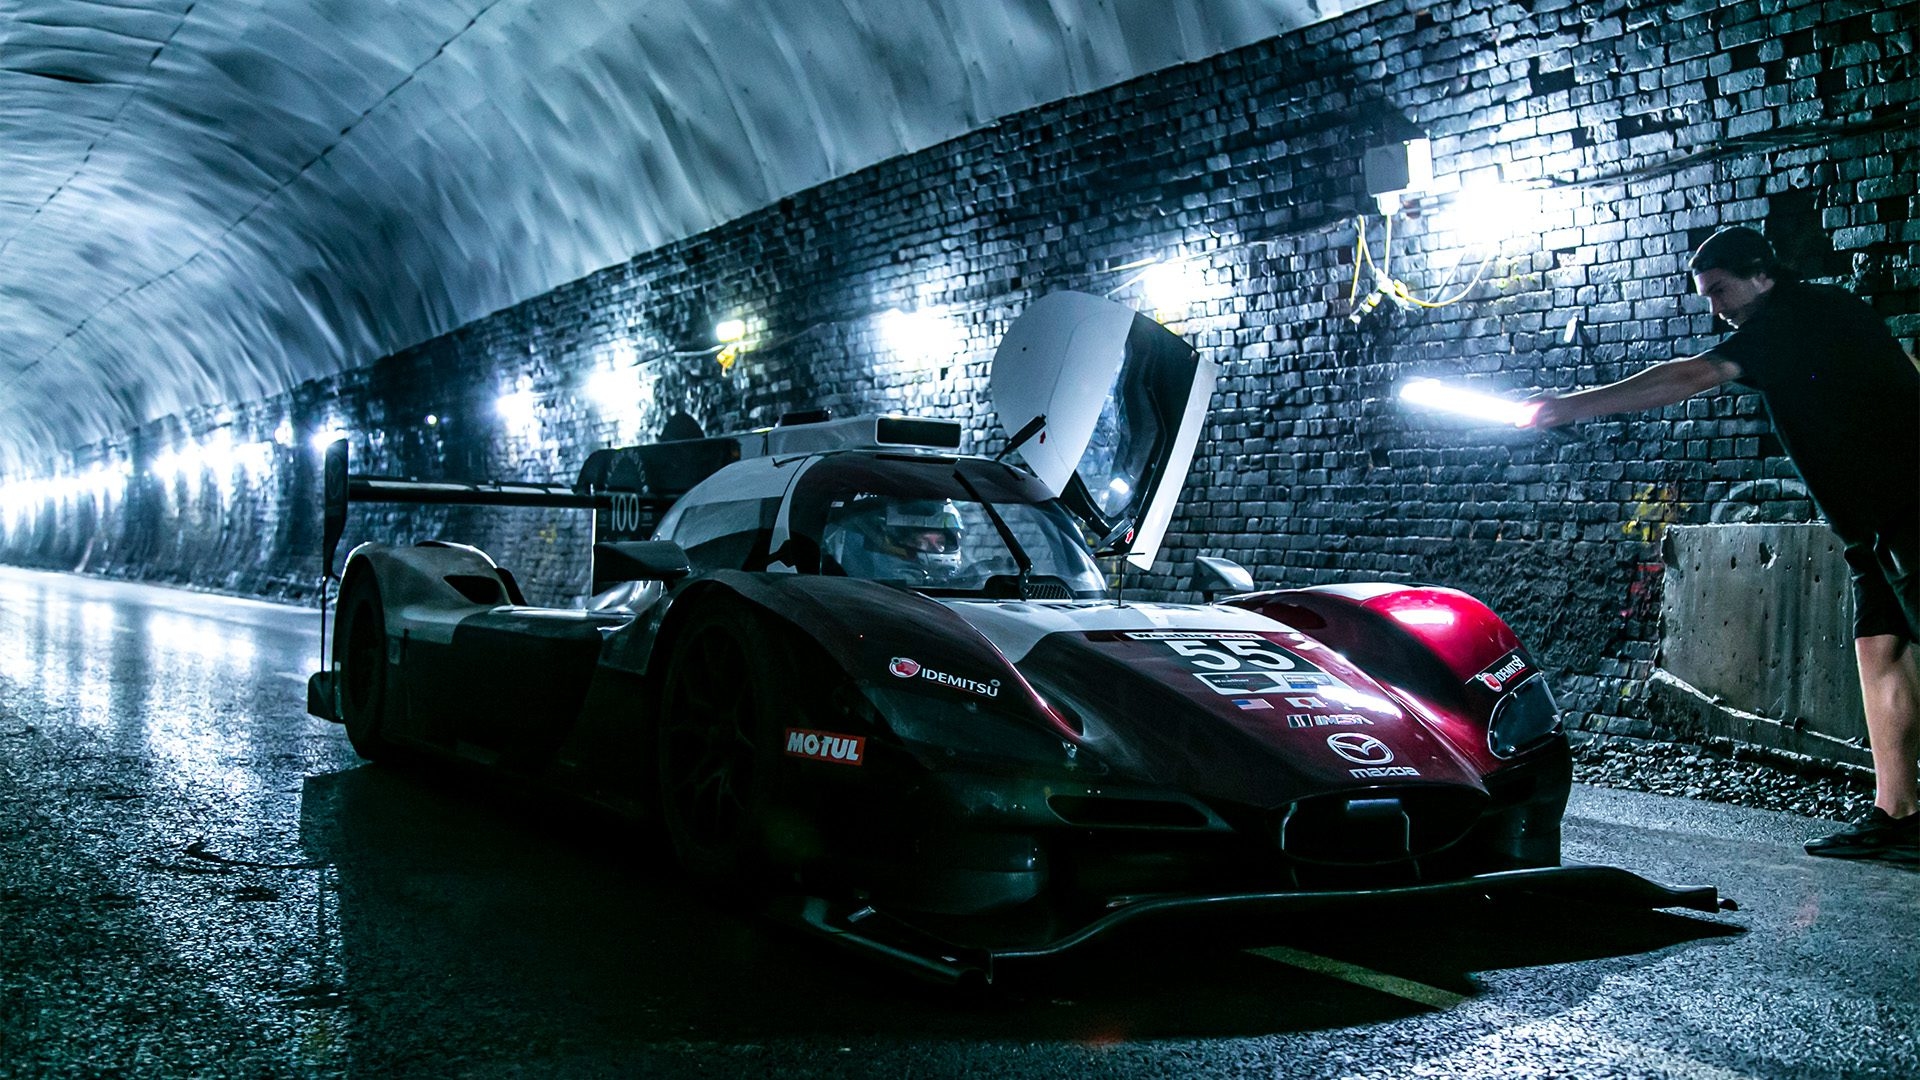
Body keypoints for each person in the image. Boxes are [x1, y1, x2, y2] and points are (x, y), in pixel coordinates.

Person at [1526, 225, 1919, 862]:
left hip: (1908, 511)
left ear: (1762, 274)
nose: (1716, 308)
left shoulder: (1791, 321)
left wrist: (1570, 406)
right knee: (1881, 647)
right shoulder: (1832, 312)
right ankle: (1898, 812)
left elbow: (1686, 376)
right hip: (1871, 525)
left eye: (1720, 290)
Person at [824, 497, 968, 584]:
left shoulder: (964, 587)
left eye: (940, 543)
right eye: (921, 542)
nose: (936, 550)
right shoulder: (873, 581)